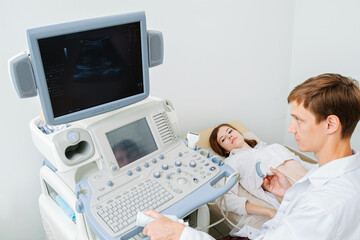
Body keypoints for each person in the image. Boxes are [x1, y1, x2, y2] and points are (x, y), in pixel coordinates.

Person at [142, 73, 360, 240]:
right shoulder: (340, 174)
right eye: (223, 139)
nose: (292, 129)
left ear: (330, 124)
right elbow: (229, 198)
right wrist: (288, 195)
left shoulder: (321, 208)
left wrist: (180, 233)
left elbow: (311, 217)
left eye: (299, 120)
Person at [208, 123, 311, 221]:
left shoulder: (271, 147)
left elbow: (302, 163)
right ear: (224, 150)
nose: (229, 136)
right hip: (297, 199)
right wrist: (268, 211)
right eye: (223, 139)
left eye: (230, 131)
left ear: (238, 132)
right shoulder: (232, 162)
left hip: (315, 181)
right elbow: (223, 199)